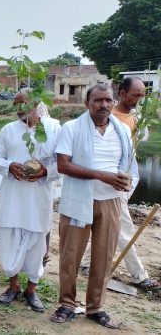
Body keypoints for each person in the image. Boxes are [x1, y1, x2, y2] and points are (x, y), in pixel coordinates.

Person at [50, 84, 138, 329]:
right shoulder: (72, 128)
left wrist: (125, 180)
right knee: (71, 256)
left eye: (108, 100)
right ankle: (67, 304)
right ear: (87, 103)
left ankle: (95, 307)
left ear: (114, 101)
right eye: (98, 100)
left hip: (110, 202)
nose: (104, 105)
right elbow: (63, 165)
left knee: (103, 257)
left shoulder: (121, 130)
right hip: (78, 200)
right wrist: (103, 176)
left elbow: (129, 165)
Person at [79, 77, 159, 291]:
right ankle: (139, 275)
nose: (140, 99)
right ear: (122, 94)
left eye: (143, 95)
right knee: (123, 227)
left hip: (128, 178)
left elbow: (137, 142)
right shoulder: (109, 118)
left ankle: (85, 263)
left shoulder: (135, 116)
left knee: (111, 222)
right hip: (110, 182)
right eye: (136, 95)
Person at [0, 89, 61, 312]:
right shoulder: (8, 130)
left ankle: (31, 289)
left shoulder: (53, 128)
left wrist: (45, 172)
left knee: (36, 243)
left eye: (24, 103)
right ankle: (12, 287)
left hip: (39, 197)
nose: (20, 108)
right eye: (16, 104)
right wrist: (9, 166)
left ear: (37, 103)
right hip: (12, 197)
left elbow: (63, 161)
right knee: (8, 240)